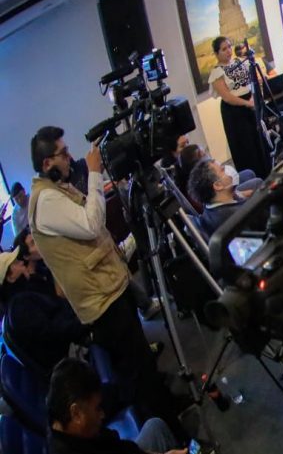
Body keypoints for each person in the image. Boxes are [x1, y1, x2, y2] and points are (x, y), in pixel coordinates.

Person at [27, 126, 176, 425]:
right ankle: (169, 427)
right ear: (47, 163)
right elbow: (91, 224)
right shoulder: (46, 201)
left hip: (109, 289)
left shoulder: (56, 191)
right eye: (63, 153)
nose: (70, 158)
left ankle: (168, 406)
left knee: (142, 360)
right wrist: (94, 172)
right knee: (136, 370)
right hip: (102, 302)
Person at [46, 358, 185, 454]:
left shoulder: (78, 431)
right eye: (97, 408)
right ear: (76, 413)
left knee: (155, 426)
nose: (102, 415)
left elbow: (119, 447)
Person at [209, 36, 271, 178]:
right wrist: (247, 103)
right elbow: (227, 96)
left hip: (250, 102)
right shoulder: (217, 72)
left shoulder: (239, 61)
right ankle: (254, 177)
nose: (228, 51)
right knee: (245, 144)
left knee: (258, 138)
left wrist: (253, 96)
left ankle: (267, 170)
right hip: (234, 111)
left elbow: (252, 80)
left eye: (229, 47)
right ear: (217, 53)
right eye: (224, 49)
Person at [187, 159, 260, 235]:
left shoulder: (210, 204)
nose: (228, 169)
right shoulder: (236, 216)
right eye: (223, 169)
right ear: (218, 185)